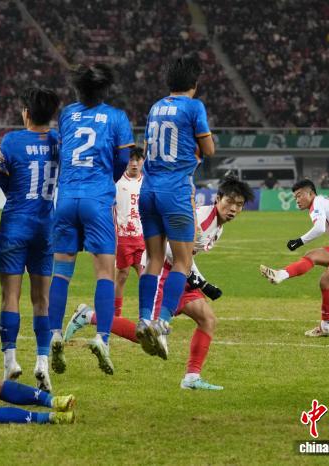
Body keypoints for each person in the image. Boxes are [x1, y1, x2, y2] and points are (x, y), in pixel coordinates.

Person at [65, 178, 253, 390]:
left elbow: (186, 257)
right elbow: (172, 251)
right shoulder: (200, 218)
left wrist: (201, 282)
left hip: (178, 275)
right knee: (147, 335)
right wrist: (199, 281)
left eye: (239, 205)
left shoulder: (217, 226)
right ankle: (89, 316)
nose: (233, 208)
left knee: (207, 319)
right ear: (218, 199)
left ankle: (191, 378)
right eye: (230, 202)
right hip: (162, 272)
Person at [48, 64, 135, 375]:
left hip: (66, 198)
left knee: (61, 272)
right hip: (97, 199)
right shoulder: (116, 117)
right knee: (104, 274)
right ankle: (101, 338)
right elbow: (123, 159)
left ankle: (54, 333)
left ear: (78, 90)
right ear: (106, 90)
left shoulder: (67, 115)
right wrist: (107, 179)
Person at [137, 54, 215, 360]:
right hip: (175, 190)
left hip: (148, 189)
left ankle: (144, 318)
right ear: (194, 84)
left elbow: (148, 147)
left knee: (154, 259)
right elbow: (209, 149)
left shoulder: (155, 107)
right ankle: (163, 321)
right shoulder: (194, 107)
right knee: (183, 260)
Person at [0, 87, 60, 390]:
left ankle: (10, 361)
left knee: (10, 296)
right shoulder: (58, 141)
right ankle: (42, 363)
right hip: (45, 225)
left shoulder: (11, 141)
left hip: (15, 223)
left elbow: (4, 181)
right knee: (42, 299)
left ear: (26, 113)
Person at [260, 180, 329, 337]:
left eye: (299, 195)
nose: (297, 200)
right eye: (295, 197)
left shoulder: (316, 204)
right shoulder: (328, 201)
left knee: (326, 283)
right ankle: (280, 275)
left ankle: (326, 327)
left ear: (310, 193)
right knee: (312, 255)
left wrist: (299, 241)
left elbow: (319, 228)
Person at [114, 147, 146, 317]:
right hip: (123, 238)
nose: (134, 163)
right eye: (131, 160)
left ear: (143, 161)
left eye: (137, 160)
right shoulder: (118, 183)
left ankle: (146, 315)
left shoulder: (147, 183)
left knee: (146, 276)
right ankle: (116, 314)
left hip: (143, 238)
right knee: (122, 275)